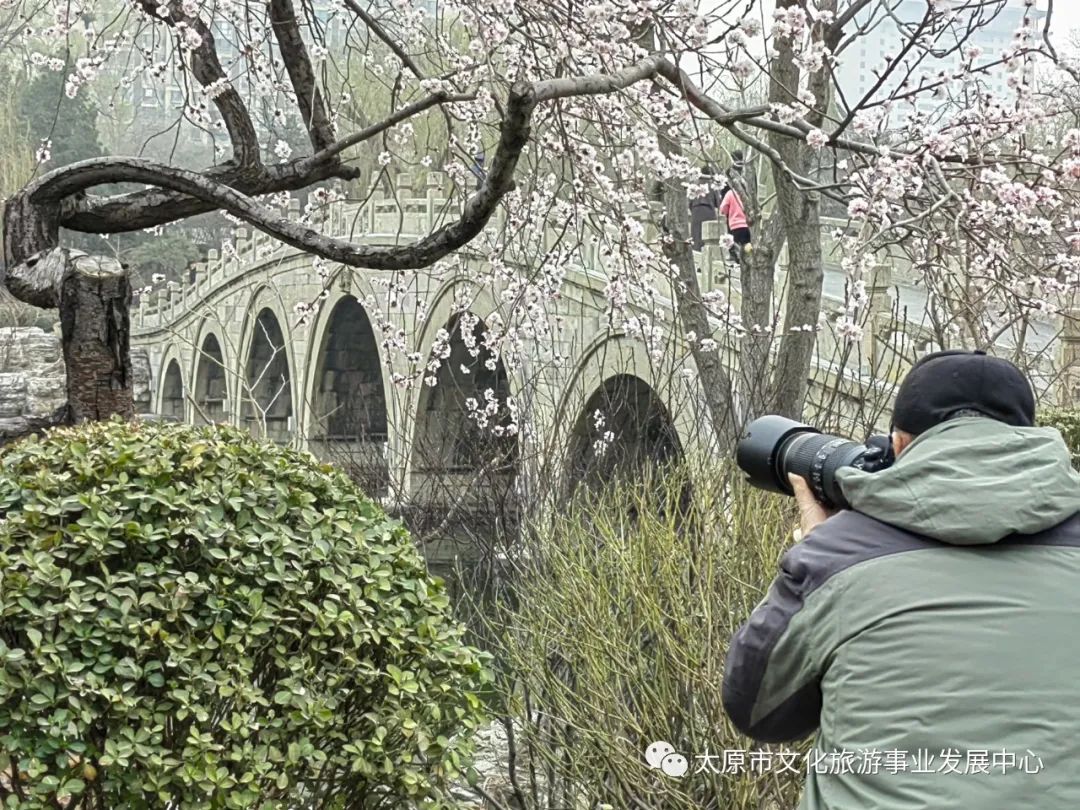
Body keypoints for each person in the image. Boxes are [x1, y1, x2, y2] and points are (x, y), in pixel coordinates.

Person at [723, 349, 1080, 809]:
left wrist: (819, 551)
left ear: (898, 446)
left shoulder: (836, 558)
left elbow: (757, 711)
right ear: (1028, 442)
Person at [689, 165, 721, 251]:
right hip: (708, 211)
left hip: (696, 210)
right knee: (707, 235)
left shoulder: (694, 184)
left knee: (696, 235)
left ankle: (696, 252)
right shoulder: (713, 185)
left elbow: (690, 201)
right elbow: (718, 202)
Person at [718, 181, 752, 261]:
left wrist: (728, 212)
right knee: (747, 247)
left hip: (735, 225)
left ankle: (737, 261)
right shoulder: (747, 194)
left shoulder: (730, 193)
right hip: (747, 225)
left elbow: (723, 208)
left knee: (737, 248)